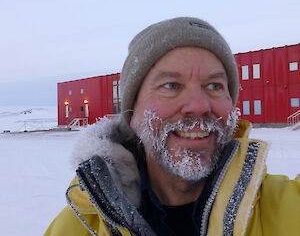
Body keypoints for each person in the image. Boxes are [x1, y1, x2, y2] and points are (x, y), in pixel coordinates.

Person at [44, 17, 300, 236]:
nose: (199, 105)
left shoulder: (288, 206)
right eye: (171, 85)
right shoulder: (76, 227)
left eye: (214, 86)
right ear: (133, 114)